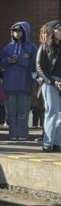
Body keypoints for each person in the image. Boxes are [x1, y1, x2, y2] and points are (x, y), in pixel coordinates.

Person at [0, 22, 36, 141]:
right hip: (10, 84)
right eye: (14, 31)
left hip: (25, 84)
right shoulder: (8, 47)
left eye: (20, 31)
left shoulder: (32, 47)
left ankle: (23, 134)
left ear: (25, 32)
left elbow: (35, 65)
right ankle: (12, 134)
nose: (17, 33)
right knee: (11, 112)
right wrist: (8, 60)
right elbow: (1, 62)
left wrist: (21, 61)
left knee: (23, 112)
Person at [35, 20, 61, 152]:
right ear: (52, 32)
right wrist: (52, 81)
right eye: (59, 29)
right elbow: (39, 67)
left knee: (60, 114)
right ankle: (47, 142)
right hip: (50, 82)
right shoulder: (44, 47)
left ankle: (57, 143)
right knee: (52, 112)